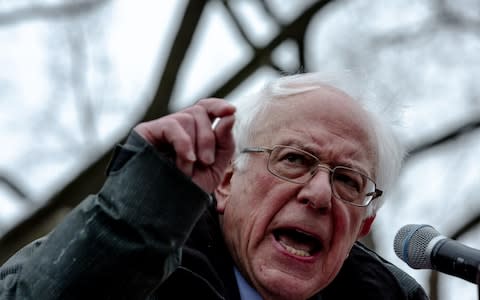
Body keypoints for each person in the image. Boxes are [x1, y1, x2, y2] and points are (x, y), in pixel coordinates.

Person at [0, 72, 428, 299]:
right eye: (294, 160)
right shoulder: (132, 266)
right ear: (225, 182)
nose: (318, 195)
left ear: (362, 227)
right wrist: (135, 217)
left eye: (348, 181)